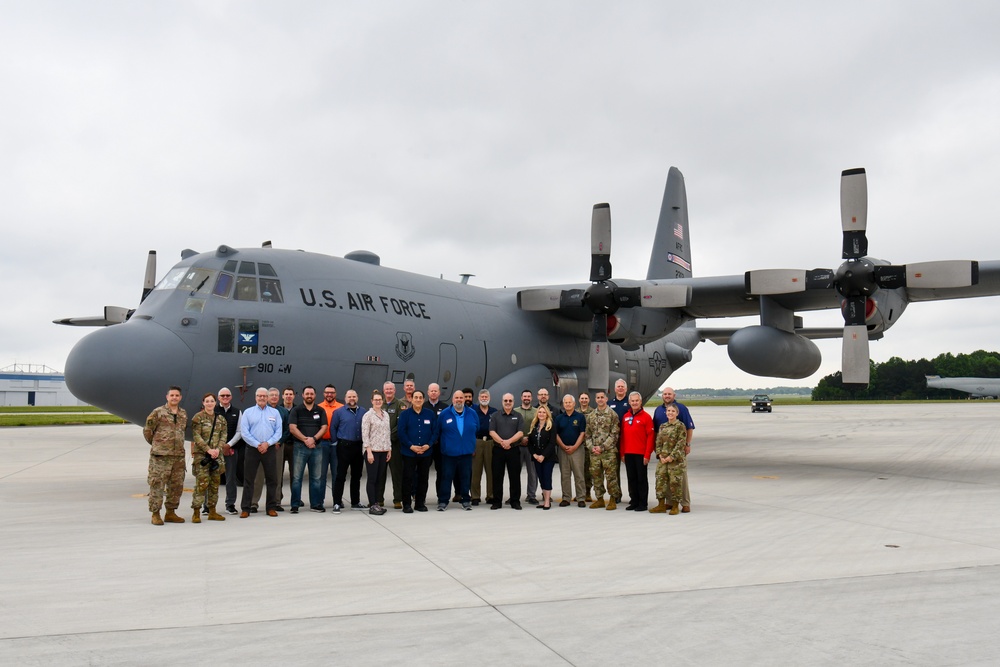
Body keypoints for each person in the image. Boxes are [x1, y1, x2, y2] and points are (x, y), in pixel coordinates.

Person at [143, 386, 187, 525]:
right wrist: (158, 445)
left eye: (177, 395)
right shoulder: (158, 412)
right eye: (172, 395)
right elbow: (148, 431)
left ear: (180, 398)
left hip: (178, 456)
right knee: (157, 485)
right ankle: (155, 513)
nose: (174, 397)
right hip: (160, 457)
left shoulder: (183, 413)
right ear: (167, 397)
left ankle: (171, 512)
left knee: (176, 486)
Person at [239, 388, 282, 518]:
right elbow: (244, 432)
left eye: (264, 396)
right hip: (253, 449)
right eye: (259, 396)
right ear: (255, 397)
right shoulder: (248, 412)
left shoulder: (274, 413)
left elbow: (278, 431)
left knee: (272, 479)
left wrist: (267, 444)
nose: (262, 398)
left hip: (268, 449)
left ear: (268, 397)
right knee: (249, 479)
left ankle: (271, 507)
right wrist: (257, 444)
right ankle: (246, 508)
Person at [653, 387, 695, 513]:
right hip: (664, 452)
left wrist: (687, 444)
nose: (667, 396)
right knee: (664, 477)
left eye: (669, 394)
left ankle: (685, 503)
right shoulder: (658, 410)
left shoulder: (681, 408)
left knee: (679, 478)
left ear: (674, 395)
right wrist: (658, 452)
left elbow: (689, 428)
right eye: (665, 394)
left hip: (676, 453)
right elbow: (656, 432)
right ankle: (668, 502)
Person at [287, 386, 328, 514]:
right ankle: (295, 505)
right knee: (296, 477)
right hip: (300, 447)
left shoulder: (320, 410)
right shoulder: (296, 410)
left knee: (316, 477)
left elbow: (324, 427)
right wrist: (306, 440)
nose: (309, 395)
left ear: (315, 395)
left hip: (317, 447)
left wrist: (313, 439)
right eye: (307, 393)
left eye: (311, 393)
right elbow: (292, 428)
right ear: (303, 395)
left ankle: (315, 504)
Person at [436, 390, 478, 511]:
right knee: (446, 477)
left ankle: (465, 500)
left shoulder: (472, 413)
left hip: (466, 453)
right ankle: (443, 501)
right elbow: (439, 430)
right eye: (457, 398)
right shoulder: (444, 414)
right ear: (452, 400)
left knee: (465, 477)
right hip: (449, 453)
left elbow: (476, 428)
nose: (459, 400)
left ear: (464, 400)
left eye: (461, 398)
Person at [397, 389, 438, 513]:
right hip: (409, 452)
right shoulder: (405, 415)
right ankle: (407, 504)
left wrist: (429, 445)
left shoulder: (430, 414)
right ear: (411, 399)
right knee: (407, 478)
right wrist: (411, 446)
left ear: (423, 399)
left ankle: (420, 503)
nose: (418, 400)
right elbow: (401, 432)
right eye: (416, 397)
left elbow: (435, 431)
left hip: (426, 452)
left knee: (423, 478)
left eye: (420, 397)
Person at [190, 392, 227, 523]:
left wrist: (217, 449)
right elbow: (196, 436)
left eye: (212, 401)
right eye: (207, 401)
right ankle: (196, 512)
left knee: (214, 484)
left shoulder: (221, 419)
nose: (209, 403)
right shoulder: (198, 418)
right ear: (203, 403)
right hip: (202, 457)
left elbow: (223, 435)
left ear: (215, 403)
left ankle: (212, 511)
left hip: (216, 456)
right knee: (202, 484)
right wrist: (208, 450)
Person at [250, 388, 289, 512]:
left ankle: (276, 502)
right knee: (258, 476)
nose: (274, 397)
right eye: (271, 395)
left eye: (276, 395)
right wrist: (260, 444)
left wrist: (279, 441)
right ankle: (253, 503)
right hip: (260, 447)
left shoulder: (282, 412)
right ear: (267, 397)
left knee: (276, 475)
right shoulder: (259, 411)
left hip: (277, 446)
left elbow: (286, 429)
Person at [329, 390, 366, 510]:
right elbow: (333, 428)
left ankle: (355, 502)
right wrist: (335, 442)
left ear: (357, 398)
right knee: (341, 475)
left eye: (354, 396)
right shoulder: (339, 412)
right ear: (345, 398)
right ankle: (337, 503)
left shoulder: (363, 412)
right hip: (344, 447)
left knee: (356, 475)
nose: (352, 398)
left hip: (358, 446)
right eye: (349, 396)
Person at [585, 390, 621, 510]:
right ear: (595, 400)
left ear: (606, 399)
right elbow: (587, 434)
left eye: (602, 397)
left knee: (611, 476)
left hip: (608, 452)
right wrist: (591, 447)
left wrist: (602, 447)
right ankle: (599, 499)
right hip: (594, 453)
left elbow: (614, 434)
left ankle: (612, 499)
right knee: (596, 476)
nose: (600, 399)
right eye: (598, 397)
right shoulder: (591, 416)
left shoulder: (612, 414)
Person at [489, 393, 525, 510]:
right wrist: (502, 442)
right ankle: (497, 501)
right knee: (497, 476)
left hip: (513, 450)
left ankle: (515, 501)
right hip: (498, 450)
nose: (508, 402)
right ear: (502, 401)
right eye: (506, 400)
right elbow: (492, 432)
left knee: (514, 476)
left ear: (513, 402)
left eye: (510, 400)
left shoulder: (518, 416)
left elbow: (520, 433)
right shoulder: (495, 415)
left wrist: (508, 442)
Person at [620, 391, 654, 511]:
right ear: (629, 402)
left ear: (640, 402)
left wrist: (647, 454)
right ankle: (634, 500)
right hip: (628, 453)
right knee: (631, 478)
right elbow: (623, 436)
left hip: (640, 454)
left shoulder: (646, 417)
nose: (634, 403)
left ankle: (642, 503)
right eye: (632, 401)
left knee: (641, 479)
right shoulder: (625, 416)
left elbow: (651, 437)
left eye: (636, 401)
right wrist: (622, 453)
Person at [652, 404, 687, 515]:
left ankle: (675, 506)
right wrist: (660, 455)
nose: (670, 413)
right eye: (668, 411)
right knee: (660, 481)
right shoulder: (663, 426)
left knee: (675, 482)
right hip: (663, 460)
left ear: (677, 413)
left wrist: (671, 457)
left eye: (673, 411)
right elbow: (658, 442)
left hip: (675, 461)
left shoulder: (680, 426)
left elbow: (680, 443)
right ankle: (661, 504)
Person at [362, 391, 392, 516]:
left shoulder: (386, 415)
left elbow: (388, 433)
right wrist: (368, 451)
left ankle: (377, 503)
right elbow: (365, 434)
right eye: (376, 399)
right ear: (372, 401)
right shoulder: (368, 415)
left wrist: (389, 449)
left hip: (384, 451)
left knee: (380, 479)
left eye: (380, 399)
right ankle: (372, 504)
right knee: (372, 478)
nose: (378, 401)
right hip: (372, 451)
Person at [379, 381, 408, 510]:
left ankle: (398, 499)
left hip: (395, 444)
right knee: (380, 473)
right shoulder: (379, 404)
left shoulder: (400, 405)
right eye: (387, 389)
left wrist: (389, 437)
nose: (389, 391)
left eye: (391, 389)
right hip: (380, 446)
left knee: (397, 473)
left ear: (394, 391)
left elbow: (400, 424)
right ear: (383, 391)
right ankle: (379, 499)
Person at [555, 395, 587, 507]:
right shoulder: (559, 418)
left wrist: (574, 447)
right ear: (563, 404)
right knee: (565, 475)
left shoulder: (580, 417)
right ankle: (566, 498)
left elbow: (582, 433)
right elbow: (556, 434)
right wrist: (563, 446)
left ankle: (581, 498)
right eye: (566, 402)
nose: (568, 404)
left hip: (577, 450)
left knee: (579, 474)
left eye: (570, 402)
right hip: (563, 450)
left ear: (574, 404)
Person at [215, 387, 243, 515]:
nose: (225, 398)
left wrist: (229, 445)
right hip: (214, 451)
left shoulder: (237, 412)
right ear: (218, 397)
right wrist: (220, 447)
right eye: (222, 396)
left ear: (231, 397)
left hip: (231, 450)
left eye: (227, 395)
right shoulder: (212, 411)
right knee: (211, 478)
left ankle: (230, 504)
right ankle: (207, 505)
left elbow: (239, 431)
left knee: (230, 478)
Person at [317, 385, 343, 510]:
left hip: (336, 445)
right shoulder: (318, 408)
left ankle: (337, 501)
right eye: (327, 392)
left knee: (336, 474)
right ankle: (319, 501)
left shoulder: (341, 408)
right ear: (324, 394)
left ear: (335, 394)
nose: (329, 395)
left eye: (332, 393)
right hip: (322, 444)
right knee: (321, 475)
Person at [527, 405, 556, 510]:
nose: (541, 414)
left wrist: (543, 455)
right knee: (541, 479)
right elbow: (530, 443)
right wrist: (534, 455)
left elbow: (552, 443)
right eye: (540, 412)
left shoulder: (551, 425)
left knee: (547, 477)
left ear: (547, 414)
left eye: (544, 412)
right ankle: (544, 501)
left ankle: (547, 501)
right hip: (536, 457)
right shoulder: (534, 425)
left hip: (548, 457)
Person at [471, 389, 496, 506]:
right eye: (482, 397)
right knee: (476, 471)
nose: (484, 398)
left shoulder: (494, 412)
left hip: (491, 442)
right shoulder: (473, 411)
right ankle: (475, 496)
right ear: (479, 398)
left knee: (491, 470)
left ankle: (490, 495)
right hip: (477, 441)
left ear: (489, 398)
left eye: (486, 397)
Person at [606, 379, 630, 504]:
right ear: (615, 389)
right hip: (613, 441)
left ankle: (634, 495)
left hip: (628, 441)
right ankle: (616, 494)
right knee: (613, 470)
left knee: (631, 470)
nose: (620, 389)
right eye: (618, 387)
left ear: (626, 389)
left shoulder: (630, 403)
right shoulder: (609, 404)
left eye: (622, 387)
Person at [513, 389, 538, 505]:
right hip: (517, 445)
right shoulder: (515, 411)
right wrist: (520, 438)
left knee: (532, 472)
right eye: (525, 396)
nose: (526, 398)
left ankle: (531, 495)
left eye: (528, 396)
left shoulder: (537, 412)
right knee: (515, 472)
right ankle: (514, 495)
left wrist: (528, 438)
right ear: (521, 398)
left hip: (531, 446)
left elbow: (538, 428)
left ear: (531, 398)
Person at [578, 391, 594, 502]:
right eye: (582, 398)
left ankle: (587, 492)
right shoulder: (576, 412)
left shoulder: (593, 413)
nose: (584, 400)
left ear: (589, 400)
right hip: (578, 446)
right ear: (579, 400)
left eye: (586, 398)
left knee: (588, 470)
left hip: (588, 446)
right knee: (579, 470)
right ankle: (580, 492)